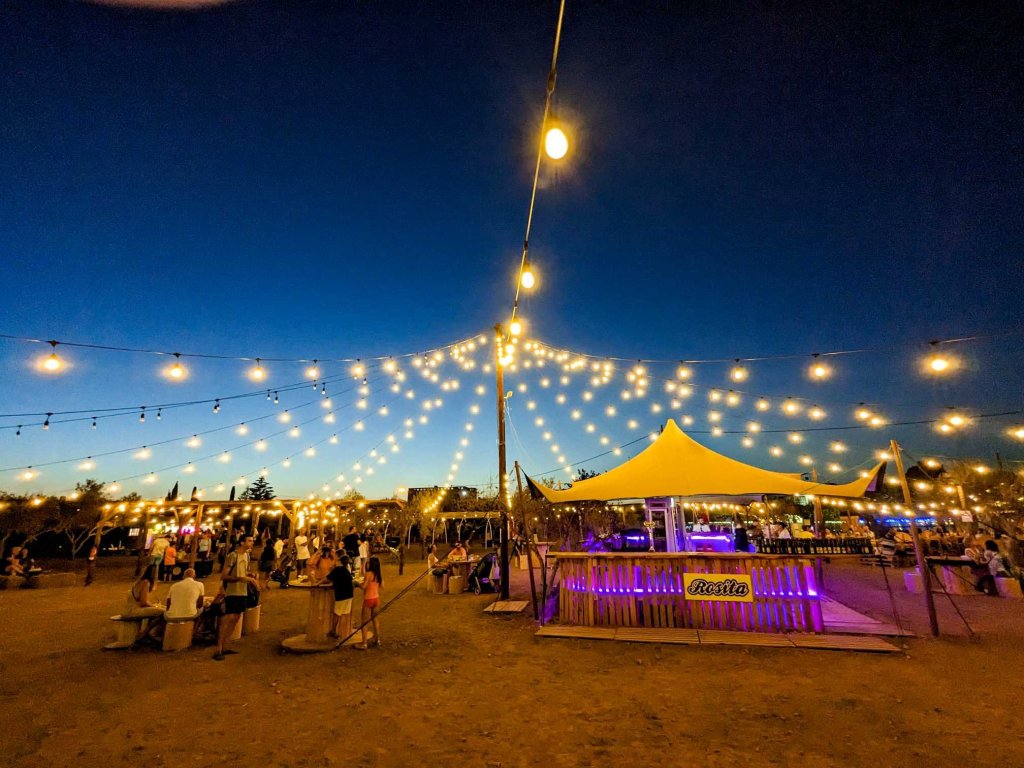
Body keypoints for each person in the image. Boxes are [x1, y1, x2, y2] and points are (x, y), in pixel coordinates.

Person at [214, 535, 258, 661]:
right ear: (242, 542)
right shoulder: (233, 556)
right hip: (232, 592)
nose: (252, 543)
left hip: (242, 591)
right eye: (249, 541)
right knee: (227, 618)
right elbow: (224, 576)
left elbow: (243, 573)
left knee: (236, 618)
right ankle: (218, 647)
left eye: (252, 541)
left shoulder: (247, 556)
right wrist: (242, 578)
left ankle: (226, 644)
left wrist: (250, 576)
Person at [124, 564, 165, 644]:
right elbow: (144, 602)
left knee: (159, 610)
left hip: (131, 608)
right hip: (134, 610)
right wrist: (154, 606)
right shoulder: (146, 583)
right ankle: (146, 634)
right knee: (163, 612)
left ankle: (146, 633)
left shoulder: (140, 582)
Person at [166, 567, 206, 637]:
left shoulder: (174, 586)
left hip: (171, 615)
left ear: (183, 576)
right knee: (202, 609)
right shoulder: (200, 585)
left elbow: (168, 603)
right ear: (194, 576)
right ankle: (194, 631)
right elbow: (200, 604)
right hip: (189, 615)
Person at [354, 556, 383, 650]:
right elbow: (383, 586)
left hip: (368, 599)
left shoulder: (369, 573)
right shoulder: (378, 574)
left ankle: (364, 643)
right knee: (376, 621)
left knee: (365, 622)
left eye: (369, 562)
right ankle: (378, 640)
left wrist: (357, 583)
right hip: (376, 599)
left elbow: (364, 587)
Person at [327, 553, 355, 640]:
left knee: (337, 613)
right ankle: (343, 632)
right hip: (349, 594)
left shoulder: (338, 569)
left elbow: (327, 578)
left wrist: (317, 583)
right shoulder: (346, 570)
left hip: (341, 594)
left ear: (340, 561)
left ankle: (333, 630)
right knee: (344, 613)